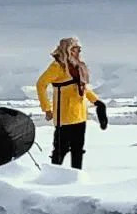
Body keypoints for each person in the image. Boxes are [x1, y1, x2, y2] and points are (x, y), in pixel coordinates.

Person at [36, 37, 105, 167]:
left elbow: (82, 88)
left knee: (78, 151)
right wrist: (47, 108)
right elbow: (41, 84)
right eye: (74, 48)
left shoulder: (77, 67)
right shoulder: (57, 67)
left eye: (79, 48)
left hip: (79, 116)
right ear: (66, 49)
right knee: (60, 152)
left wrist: (97, 102)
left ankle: (76, 181)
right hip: (64, 117)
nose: (78, 51)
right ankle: (54, 178)